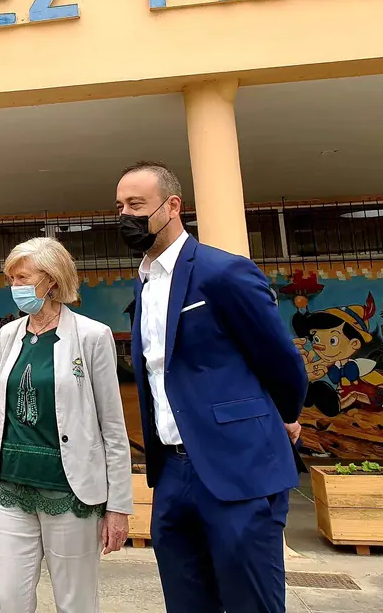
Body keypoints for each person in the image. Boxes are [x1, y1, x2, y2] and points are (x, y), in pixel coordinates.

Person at [115, 162, 308, 613]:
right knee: (186, 602)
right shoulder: (144, 287)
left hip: (237, 468)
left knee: (249, 603)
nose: (125, 215)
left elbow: (281, 361)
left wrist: (285, 415)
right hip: (171, 474)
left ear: (172, 206)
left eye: (136, 205)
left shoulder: (223, 273)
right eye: (120, 206)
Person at [0, 237, 133, 613]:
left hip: (70, 492)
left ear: (50, 281)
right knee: (9, 600)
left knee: (75, 602)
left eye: (22, 278)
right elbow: (1, 415)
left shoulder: (92, 336)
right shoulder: (8, 336)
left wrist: (118, 507)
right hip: (11, 487)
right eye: (11, 279)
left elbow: (113, 426)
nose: (14, 287)